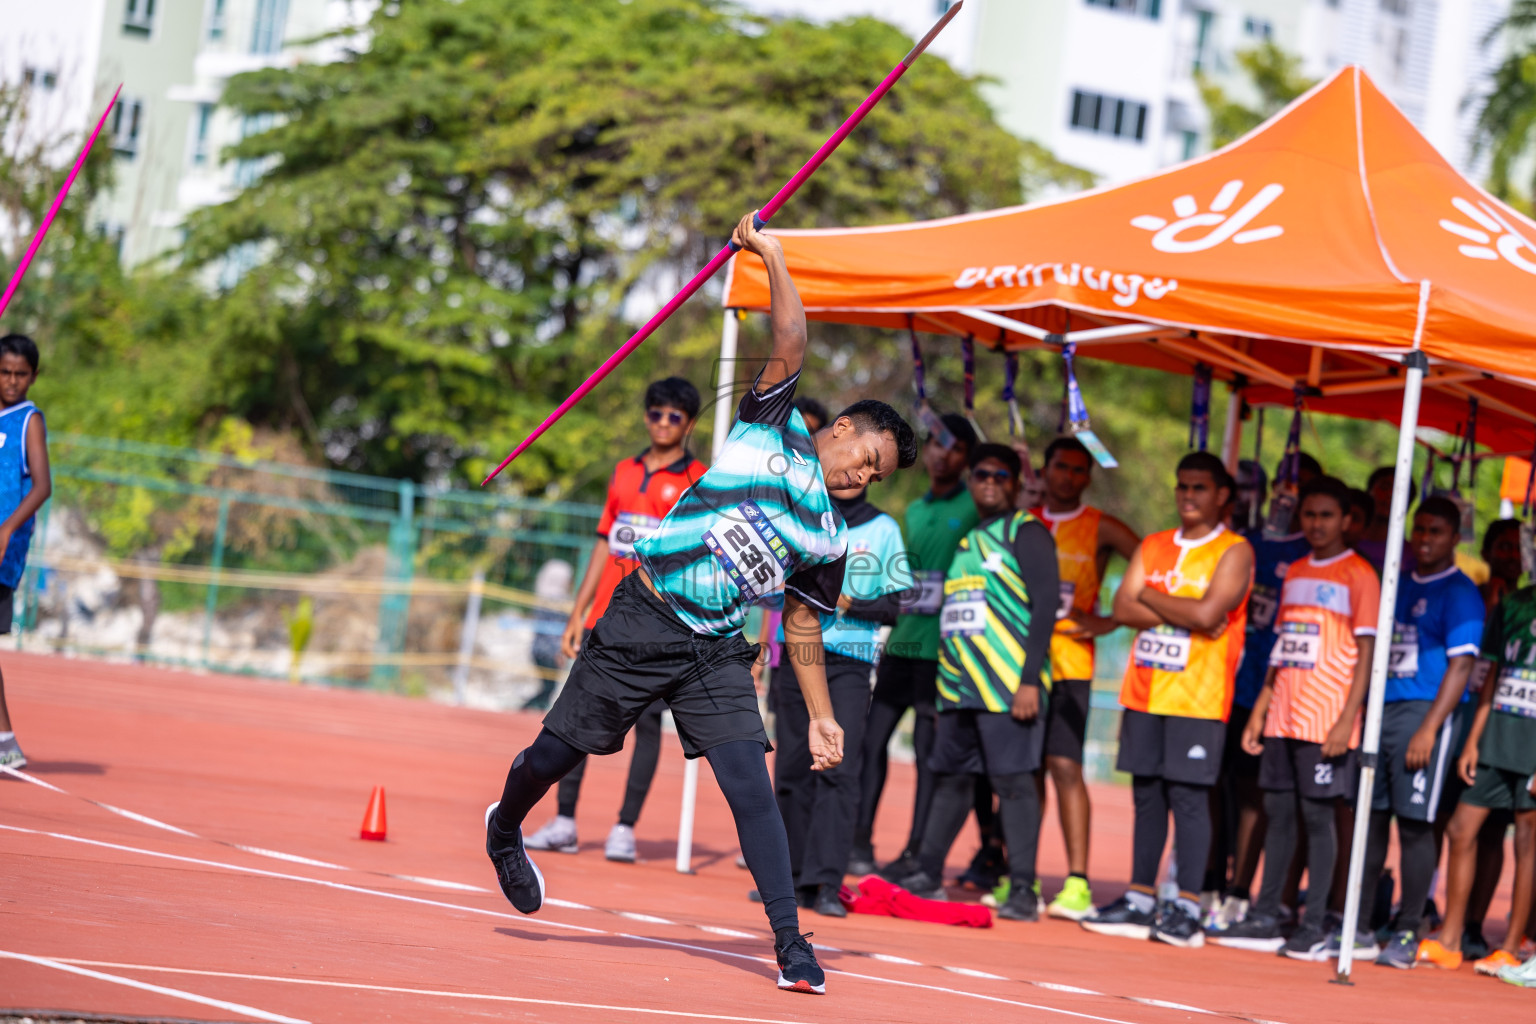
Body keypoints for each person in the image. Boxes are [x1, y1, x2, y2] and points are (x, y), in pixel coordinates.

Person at [483, 211, 917, 996]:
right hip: (642, 617)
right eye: (867, 458)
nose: (864, 476)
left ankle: (790, 943)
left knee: (750, 785)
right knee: (557, 754)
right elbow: (790, 339)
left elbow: (806, 621)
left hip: (714, 649)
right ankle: (506, 823)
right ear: (843, 429)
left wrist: (820, 713)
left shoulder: (829, 536)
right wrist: (773, 256)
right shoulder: (768, 430)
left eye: (877, 477)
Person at [525, 378, 707, 860]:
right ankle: (563, 819)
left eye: (674, 416)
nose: (663, 422)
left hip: (658, 622)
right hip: (604, 617)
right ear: (645, 416)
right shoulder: (624, 471)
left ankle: (625, 827)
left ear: (688, 423)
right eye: (655, 412)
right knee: (576, 716)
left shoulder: (700, 479)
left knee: (647, 725)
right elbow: (604, 541)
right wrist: (578, 611)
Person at [1081, 451, 1253, 949]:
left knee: (1189, 799)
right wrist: (1180, 608)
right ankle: (1139, 899)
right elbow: (1123, 605)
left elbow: (1208, 615)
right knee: (1146, 794)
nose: (1188, 496)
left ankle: (1186, 908)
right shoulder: (1154, 543)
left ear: (1221, 495)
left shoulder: (1234, 551)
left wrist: (1152, 597)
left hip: (1198, 698)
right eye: (1182, 486)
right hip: (1143, 691)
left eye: (1199, 488)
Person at [893, 443, 1059, 921]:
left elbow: (1046, 607)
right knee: (951, 781)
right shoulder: (969, 538)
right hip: (960, 687)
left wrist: (1029, 681)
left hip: (1008, 689)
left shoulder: (1026, 533)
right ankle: (927, 871)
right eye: (981, 473)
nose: (989, 481)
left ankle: (1023, 891)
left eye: (1000, 474)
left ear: (1015, 482)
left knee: (1012, 784)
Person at [1215, 477, 1379, 960]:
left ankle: (1313, 926)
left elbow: (1367, 652)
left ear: (1346, 520)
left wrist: (1348, 718)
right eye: (1309, 515)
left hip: (1325, 719)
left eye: (1327, 515)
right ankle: (1267, 916)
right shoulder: (1297, 570)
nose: (1317, 524)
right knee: (1279, 814)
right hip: (1283, 715)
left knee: (1318, 818)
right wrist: (1263, 704)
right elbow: (1285, 641)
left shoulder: (1360, 575)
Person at [1349, 496, 1484, 968]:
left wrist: (1429, 729)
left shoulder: (1460, 592)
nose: (1424, 540)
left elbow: (1462, 664)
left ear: (1454, 538)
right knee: (1372, 818)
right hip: (1383, 708)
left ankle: (1408, 929)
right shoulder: (1398, 583)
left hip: (1425, 712)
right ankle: (1359, 925)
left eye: (1435, 532)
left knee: (1414, 824)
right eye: (1418, 530)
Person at [848, 413, 980, 878]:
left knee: (929, 755)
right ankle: (859, 841)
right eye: (937, 445)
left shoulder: (973, 508)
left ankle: (915, 852)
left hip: (942, 656)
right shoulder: (915, 511)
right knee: (869, 742)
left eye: (955, 448)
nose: (943, 455)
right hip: (902, 647)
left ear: (967, 458)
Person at [772, 485, 906, 917]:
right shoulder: (799, 514)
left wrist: (847, 601)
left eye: (870, 466)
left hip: (849, 660)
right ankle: (787, 879)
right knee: (791, 765)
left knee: (840, 768)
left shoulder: (884, 528)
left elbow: (897, 603)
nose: (856, 473)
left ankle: (826, 881)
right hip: (794, 653)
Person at [1028, 436, 1139, 920]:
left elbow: (1157, 563)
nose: (1068, 476)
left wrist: (1112, 619)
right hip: (1018, 663)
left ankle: (1077, 882)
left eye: (1078, 470)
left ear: (1087, 477)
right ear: (1045, 469)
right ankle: (1021, 875)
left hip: (1072, 662)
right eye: (1060, 467)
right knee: (1022, 771)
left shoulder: (1101, 527)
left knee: (1065, 766)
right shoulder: (1023, 520)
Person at [1207, 459, 1312, 933]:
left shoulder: (1313, 555)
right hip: (1221, 680)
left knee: (1254, 794)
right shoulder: (1246, 542)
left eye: (1300, 486)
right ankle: (1206, 881)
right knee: (1210, 784)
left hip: (1270, 691)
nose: (1288, 496)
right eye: (1283, 484)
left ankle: (1239, 891)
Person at [1416, 578, 1536, 975]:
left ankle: (1509, 947)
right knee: (1460, 829)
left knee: (1526, 842)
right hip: (1497, 733)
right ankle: (1450, 939)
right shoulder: (1514, 604)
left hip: (1532, 746)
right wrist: (1473, 740)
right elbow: (1493, 677)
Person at [751, 398, 829, 693]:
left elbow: (784, 594)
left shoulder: (822, 514)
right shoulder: (762, 483)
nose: (801, 441)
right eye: (795, 432)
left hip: (799, 648)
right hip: (761, 641)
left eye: (811, 433)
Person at [0, 334, 51, 771]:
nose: (12, 382)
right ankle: (6, 742)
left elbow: (42, 485)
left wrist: (8, 529)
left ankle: (6, 742)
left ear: (34, 376)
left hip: (3, 549)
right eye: (4, 373)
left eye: (21, 374)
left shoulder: (28, 420)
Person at [1357, 466, 1417, 575]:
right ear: (1369, 491)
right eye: (1384, 487)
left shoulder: (1412, 556)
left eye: (1399, 491)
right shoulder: (1346, 542)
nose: (1391, 495)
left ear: (1408, 504)